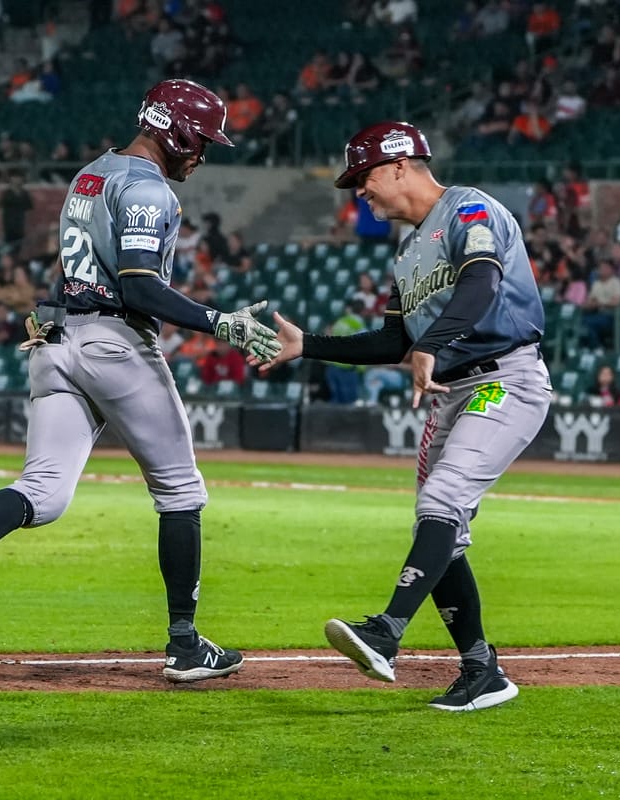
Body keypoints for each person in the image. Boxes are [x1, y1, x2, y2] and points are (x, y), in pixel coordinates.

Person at [0, 79, 280, 684]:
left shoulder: (91, 173)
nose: (202, 153)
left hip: (54, 338)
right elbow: (141, 287)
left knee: (43, 491)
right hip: (112, 340)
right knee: (181, 492)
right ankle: (184, 643)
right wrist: (220, 323)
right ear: (171, 128)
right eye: (199, 140)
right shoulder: (149, 189)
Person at [256, 121, 548, 712]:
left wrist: (431, 343)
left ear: (398, 165)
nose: (360, 193)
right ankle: (482, 671)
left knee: (440, 504)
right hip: (448, 391)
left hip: (502, 380)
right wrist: (307, 345)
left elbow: (483, 281)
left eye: (363, 179)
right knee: (441, 533)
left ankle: (386, 630)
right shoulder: (408, 250)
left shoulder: (470, 209)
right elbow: (394, 341)